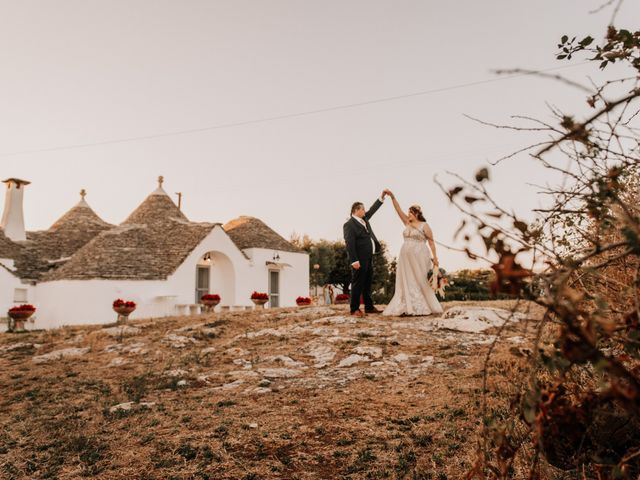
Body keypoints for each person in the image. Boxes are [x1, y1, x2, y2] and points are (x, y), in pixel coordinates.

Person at [382, 190, 443, 317]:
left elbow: (431, 242)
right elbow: (398, 210)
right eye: (408, 212)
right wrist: (393, 197)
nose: (408, 214)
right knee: (405, 278)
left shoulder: (424, 225)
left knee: (418, 278)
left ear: (416, 214)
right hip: (405, 256)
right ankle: (405, 304)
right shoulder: (407, 223)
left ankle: (420, 304)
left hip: (420, 255)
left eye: (410, 213)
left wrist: (435, 258)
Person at [343, 192, 387, 316]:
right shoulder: (349, 225)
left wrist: (381, 197)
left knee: (367, 283)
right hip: (358, 259)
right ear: (356, 210)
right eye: (363, 208)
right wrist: (354, 260)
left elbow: (373, 210)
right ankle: (354, 309)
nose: (365, 210)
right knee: (357, 284)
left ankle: (369, 307)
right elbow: (349, 243)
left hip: (369, 257)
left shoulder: (364, 219)